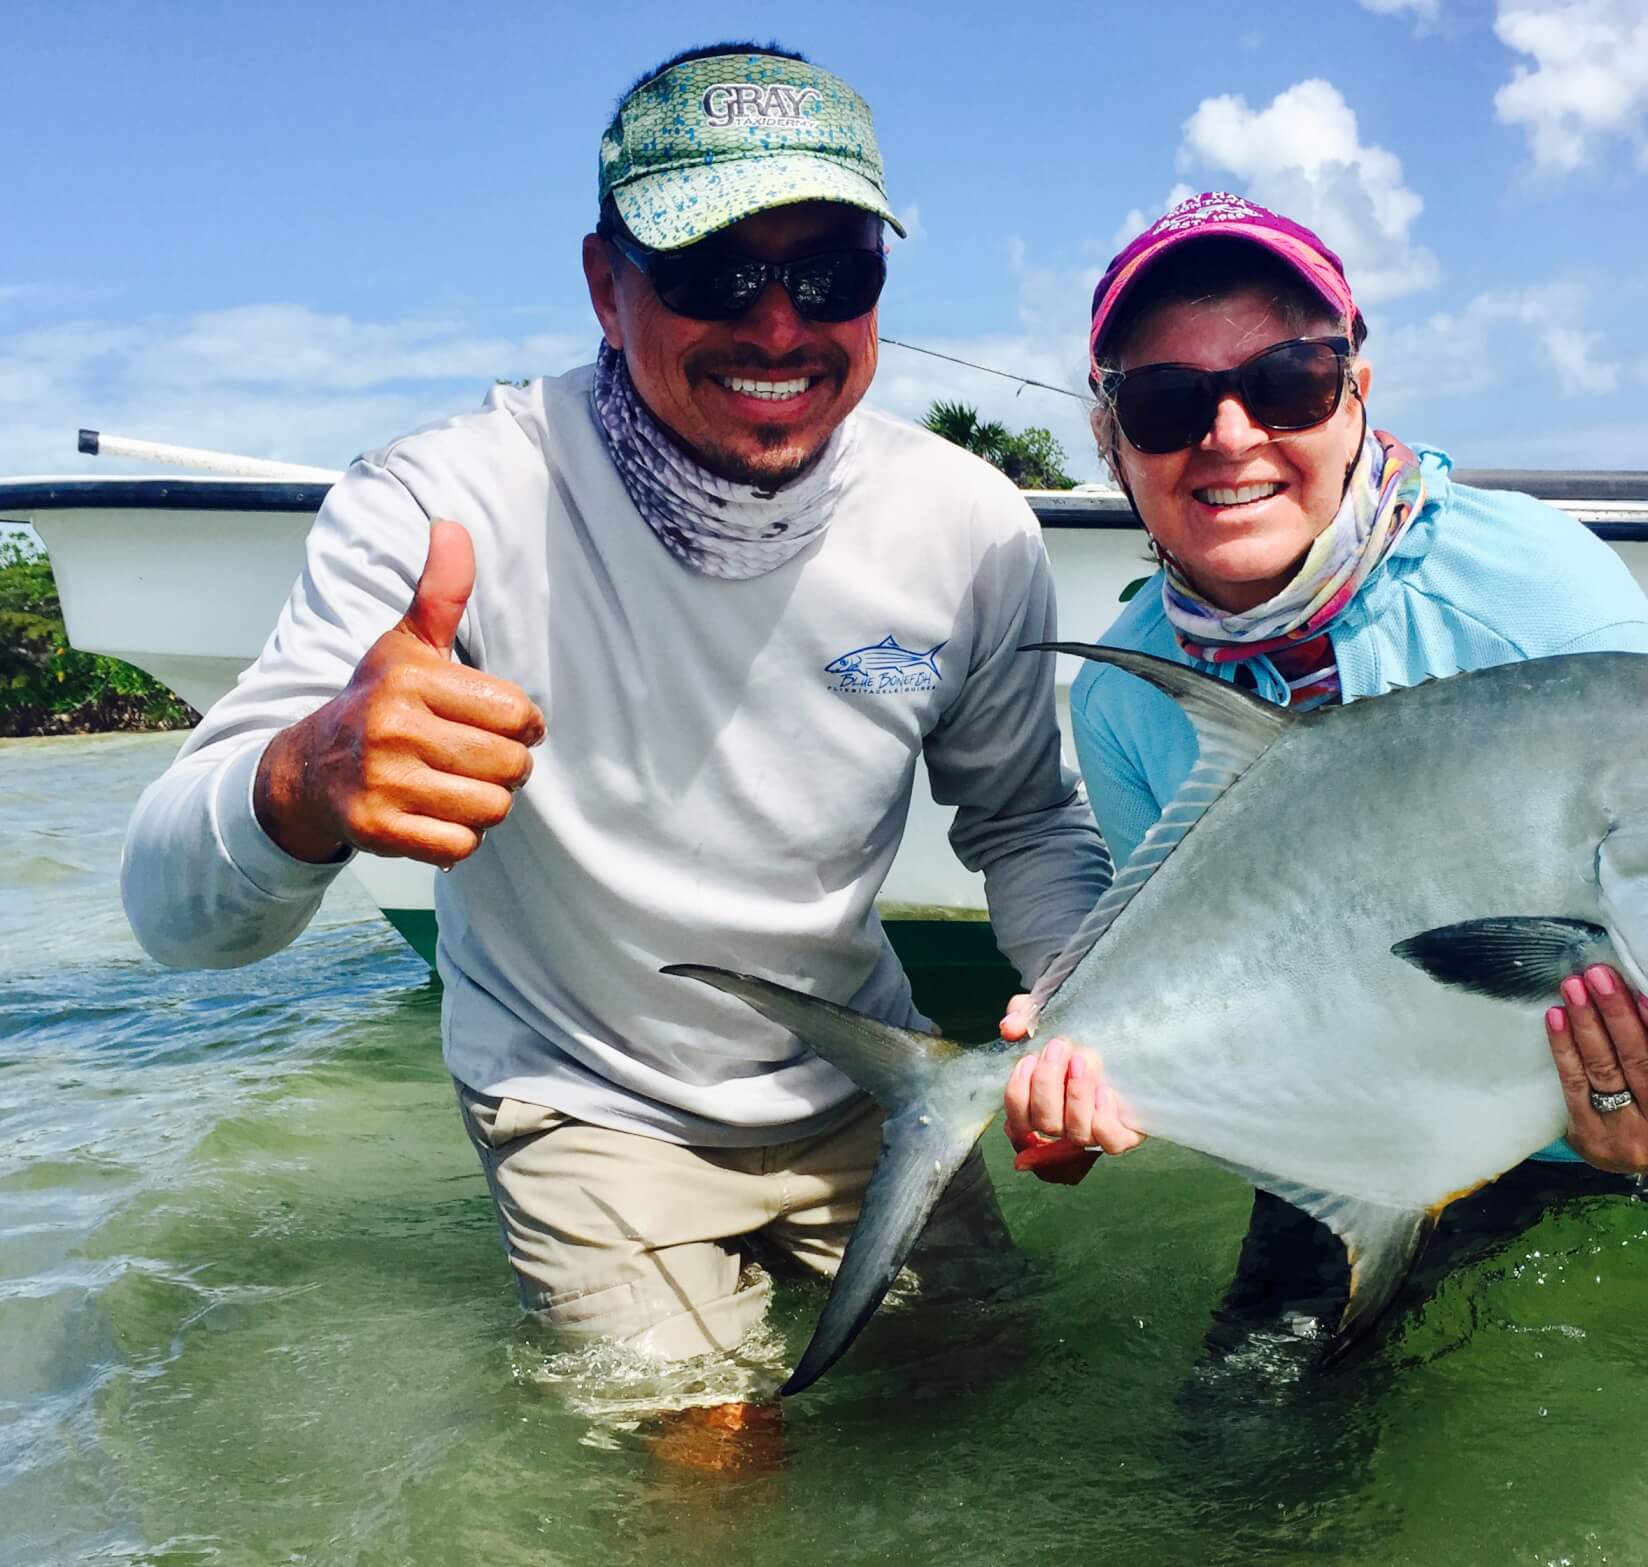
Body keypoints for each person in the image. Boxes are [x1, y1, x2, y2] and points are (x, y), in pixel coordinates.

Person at [120, 41, 1110, 1462]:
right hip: (584, 1093)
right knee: (712, 1466)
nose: (779, 327)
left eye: (830, 273)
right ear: (603, 282)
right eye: (714, 270)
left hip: (863, 1073)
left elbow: (1021, 822)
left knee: (1007, 1409)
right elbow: (170, 917)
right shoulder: (442, 504)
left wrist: (1080, 1014)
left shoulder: (969, 525)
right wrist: (302, 784)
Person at [999, 193, 1648, 1375]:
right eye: (1166, 403)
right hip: (1396, 1106)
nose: (1227, 434)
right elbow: (1199, 977)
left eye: (1287, 382)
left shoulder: (1537, 592)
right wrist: (1080, 1093)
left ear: (1356, 389)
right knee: (1245, 1452)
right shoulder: (1124, 697)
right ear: (1109, 438)